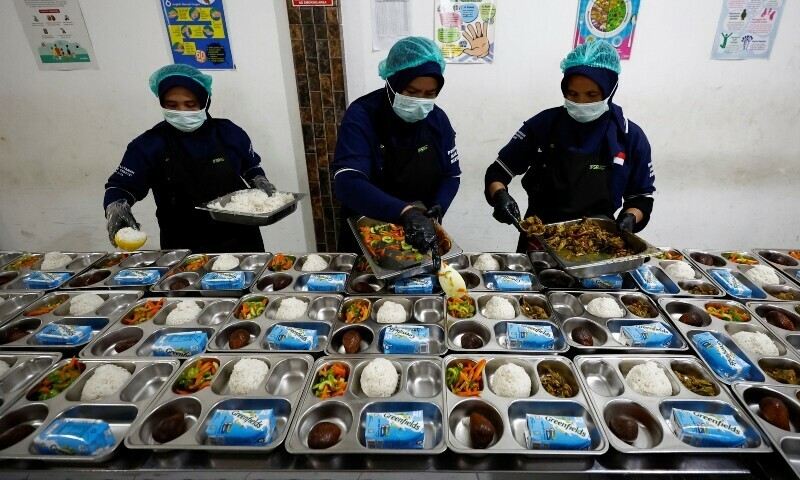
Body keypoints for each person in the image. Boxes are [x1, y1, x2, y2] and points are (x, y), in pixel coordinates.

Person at [485, 41, 655, 252]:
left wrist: (630, 218)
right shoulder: (543, 125)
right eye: (572, 94)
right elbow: (497, 172)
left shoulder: (630, 136)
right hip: (540, 239)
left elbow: (641, 197)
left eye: (592, 95)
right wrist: (500, 196)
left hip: (600, 243)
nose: (581, 102)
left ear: (610, 90)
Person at [103, 64, 278, 252]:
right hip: (183, 242)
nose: (182, 111)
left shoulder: (229, 133)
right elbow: (121, 186)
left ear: (204, 102)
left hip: (240, 236)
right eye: (172, 105)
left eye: (191, 104)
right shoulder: (148, 144)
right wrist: (116, 206)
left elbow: (251, 167)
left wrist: (259, 180)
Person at [332, 36, 461, 264]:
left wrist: (438, 206)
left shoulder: (438, 120)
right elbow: (347, 182)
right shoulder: (362, 116)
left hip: (420, 234)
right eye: (411, 92)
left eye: (430, 94)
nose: (420, 101)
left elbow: (451, 175)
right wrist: (404, 212)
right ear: (391, 83)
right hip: (367, 234)